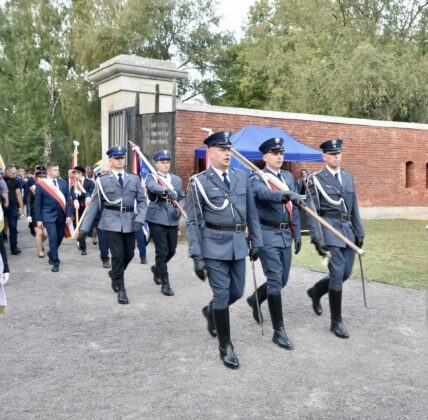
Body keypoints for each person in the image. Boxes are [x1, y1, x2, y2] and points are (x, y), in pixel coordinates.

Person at [186, 131, 263, 369]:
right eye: (222, 150)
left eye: (229, 149)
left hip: (238, 243)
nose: (227, 153)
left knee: (237, 292)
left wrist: (256, 240)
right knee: (222, 294)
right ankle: (226, 346)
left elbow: (251, 213)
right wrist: (197, 255)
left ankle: (211, 311)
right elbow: (193, 221)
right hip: (213, 245)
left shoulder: (242, 178)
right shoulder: (198, 182)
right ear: (210, 153)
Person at [305, 139, 364, 338]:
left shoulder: (348, 176)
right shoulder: (316, 179)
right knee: (337, 273)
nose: (336, 157)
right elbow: (311, 211)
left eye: (338, 153)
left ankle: (316, 291)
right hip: (329, 229)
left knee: (345, 273)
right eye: (331, 154)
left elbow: (353, 205)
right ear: (324, 157)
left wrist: (360, 231)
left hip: (347, 230)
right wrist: (317, 238)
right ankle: (336, 322)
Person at [247, 137, 303, 350]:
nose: (279, 156)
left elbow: (295, 207)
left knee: (283, 280)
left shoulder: (288, 176)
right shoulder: (256, 178)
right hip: (267, 234)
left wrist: (296, 233)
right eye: (274, 153)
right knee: (274, 280)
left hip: (285, 235)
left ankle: (255, 299)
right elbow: (264, 194)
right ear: (265, 157)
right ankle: (278, 331)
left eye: (281, 153)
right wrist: (284, 194)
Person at [78, 146, 147, 304]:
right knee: (118, 255)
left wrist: (140, 219)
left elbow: (142, 202)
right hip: (110, 221)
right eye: (116, 158)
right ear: (110, 161)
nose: (120, 160)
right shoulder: (102, 181)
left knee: (129, 254)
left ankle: (115, 273)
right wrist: (84, 228)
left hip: (130, 220)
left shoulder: (134, 179)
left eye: (122, 157)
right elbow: (94, 204)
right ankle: (121, 288)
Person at [145, 150, 185, 296]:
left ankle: (157, 268)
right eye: (162, 162)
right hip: (157, 218)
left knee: (172, 250)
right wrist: (165, 190)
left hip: (172, 218)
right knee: (161, 251)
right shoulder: (152, 177)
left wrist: (179, 209)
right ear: (156, 164)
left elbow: (181, 196)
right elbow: (152, 187)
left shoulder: (176, 179)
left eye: (168, 162)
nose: (166, 165)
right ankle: (165, 283)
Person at [35, 162, 73, 272]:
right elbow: (38, 204)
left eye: (58, 169)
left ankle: (52, 252)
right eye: (55, 170)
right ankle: (56, 262)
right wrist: (38, 219)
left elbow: (67, 201)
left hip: (61, 215)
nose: (58, 171)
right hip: (48, 215)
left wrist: (69, 215)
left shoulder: (63, 183)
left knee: (60, 237)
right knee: (53, 237)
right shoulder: (41, 184)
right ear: (49, 171)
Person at [70, 165, 95, 255]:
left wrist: (81, 193)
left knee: (83, 227)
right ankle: (80, 242)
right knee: (76, 225)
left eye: (76, 173)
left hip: (86, 207)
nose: (75, 175)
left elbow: (91, 192)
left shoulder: (89, 182)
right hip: (77, 207)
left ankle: (83, 247)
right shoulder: (74, 182)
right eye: (74, 173)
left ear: (81, 173)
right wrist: (75, 199)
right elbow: (72, 191)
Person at [27, 170, 49, 257]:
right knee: (39, 233)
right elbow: (28, 202)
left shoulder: (49, 188)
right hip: (35, 213)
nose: (42, 179)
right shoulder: (32, 188)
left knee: (46, 234)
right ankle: (40, 251)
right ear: (36, 178)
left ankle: (38, 242)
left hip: (46, 213)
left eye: (44, 177)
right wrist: (28, 214)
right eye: (40, 177)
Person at [4, 165, 24, 254]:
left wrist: (21, 207)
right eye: (13, 173)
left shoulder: (16, 180)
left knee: (13, 227)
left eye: (16, 172)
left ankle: (14, 247)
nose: (15, 174)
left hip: (13, 207)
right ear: (6, 171)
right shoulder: (1, 180)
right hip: (2, 207)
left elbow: (18, 194)